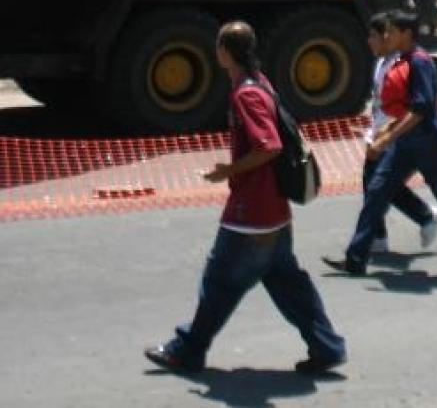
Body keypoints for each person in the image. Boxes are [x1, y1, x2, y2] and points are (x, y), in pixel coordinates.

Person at [145, 21, 346, 377]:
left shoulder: (246, 94)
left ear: (224, 52)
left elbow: (268, 146)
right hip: (275, 212)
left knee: (219, 283)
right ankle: (326, 347)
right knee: (289, 285)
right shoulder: (260, 83)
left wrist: (228, 171)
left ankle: (187, 350)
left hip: (251, 213)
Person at [323, 9, 437, 277]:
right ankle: (356, 258)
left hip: (425, 141)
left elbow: (421, 109)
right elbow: (402, 109)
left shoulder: (419, 62)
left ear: (406, 34)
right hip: (405, 141)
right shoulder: (401, 60)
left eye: (391, 31)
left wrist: (386, 139)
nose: (387, 35)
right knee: (377, 191)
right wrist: (384, 136)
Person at [361, 13, 437, 253]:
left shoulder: (404, 64)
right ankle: (380, 237)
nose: (370, 41)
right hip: (379, 132)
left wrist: (385, 135)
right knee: (377, 184)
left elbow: (405, 107)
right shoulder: (381, 63)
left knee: (380, 184)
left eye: (375, 36)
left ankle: (424, 217)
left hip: (393, 134)